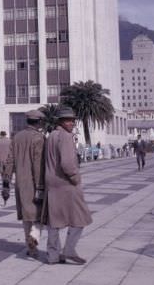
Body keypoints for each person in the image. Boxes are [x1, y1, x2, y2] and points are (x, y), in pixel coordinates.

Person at [43, 107, 92, 265]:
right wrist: (75, 177)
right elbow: (67, 163)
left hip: (52, 184)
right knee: (81, 218)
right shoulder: (65, 136)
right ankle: (69, 250)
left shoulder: (52, 135)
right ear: (60, 121)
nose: (71, 123)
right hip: (66, 183)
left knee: (54, 222)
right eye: (67, 120)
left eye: (72, 120)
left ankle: (53, 256)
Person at [2, 109, 46, 257]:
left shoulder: (17, 137)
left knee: (26, 217)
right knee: (40, 214)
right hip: (35, 183)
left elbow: (10, 161)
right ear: (39, 122)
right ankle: (34, 236)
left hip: (20, 184)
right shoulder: (39, 138)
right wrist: (40, 186)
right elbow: (38, 164)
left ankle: (31, 249)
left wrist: (6, 181)